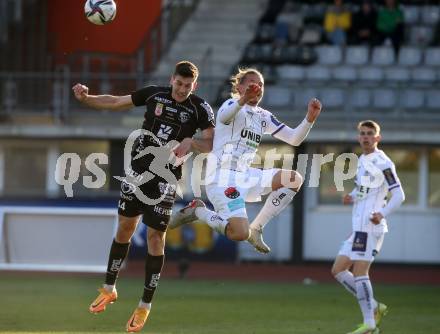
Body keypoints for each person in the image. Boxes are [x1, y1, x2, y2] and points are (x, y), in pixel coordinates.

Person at [72, 61, 215, 333]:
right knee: (125, 227)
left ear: (194, 85)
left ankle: (144, 305)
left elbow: (210, 142)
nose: (183, 89)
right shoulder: (154, 95)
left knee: (154, 237)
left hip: (165, 179)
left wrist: (192, 142)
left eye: (188, 85)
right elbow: (116, 101)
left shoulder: (200, 108)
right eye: (179, 83)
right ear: (172, 79)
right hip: (136, 172)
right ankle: (109, 287)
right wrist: (86, 98)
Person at [170, 67, 322, 254]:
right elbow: (225, 117)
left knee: (293, 179)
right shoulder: (230, 105)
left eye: (261, 84)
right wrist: (242, 100)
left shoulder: (263, 116)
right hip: (222, 178)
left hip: (246, 175)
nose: (257, 87)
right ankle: (199, 210)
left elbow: (294, 139)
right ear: (240, 87)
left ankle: (257, 228)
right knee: (239, 233)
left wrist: (309, 119)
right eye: (252, 83)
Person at [331, 120, 405, 334]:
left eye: (370, 134)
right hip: (359, 227)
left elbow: (399, 194)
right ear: (358, 137)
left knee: (360, 272)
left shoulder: (384, 162)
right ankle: (374, 306)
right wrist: (352, 197)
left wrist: (381, 213)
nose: (365, 137)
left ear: (377, 138)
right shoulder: (363, 159)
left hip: (371, 227)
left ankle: (370, 325)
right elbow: (363, 190)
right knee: (338, 269)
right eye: (362, 133)